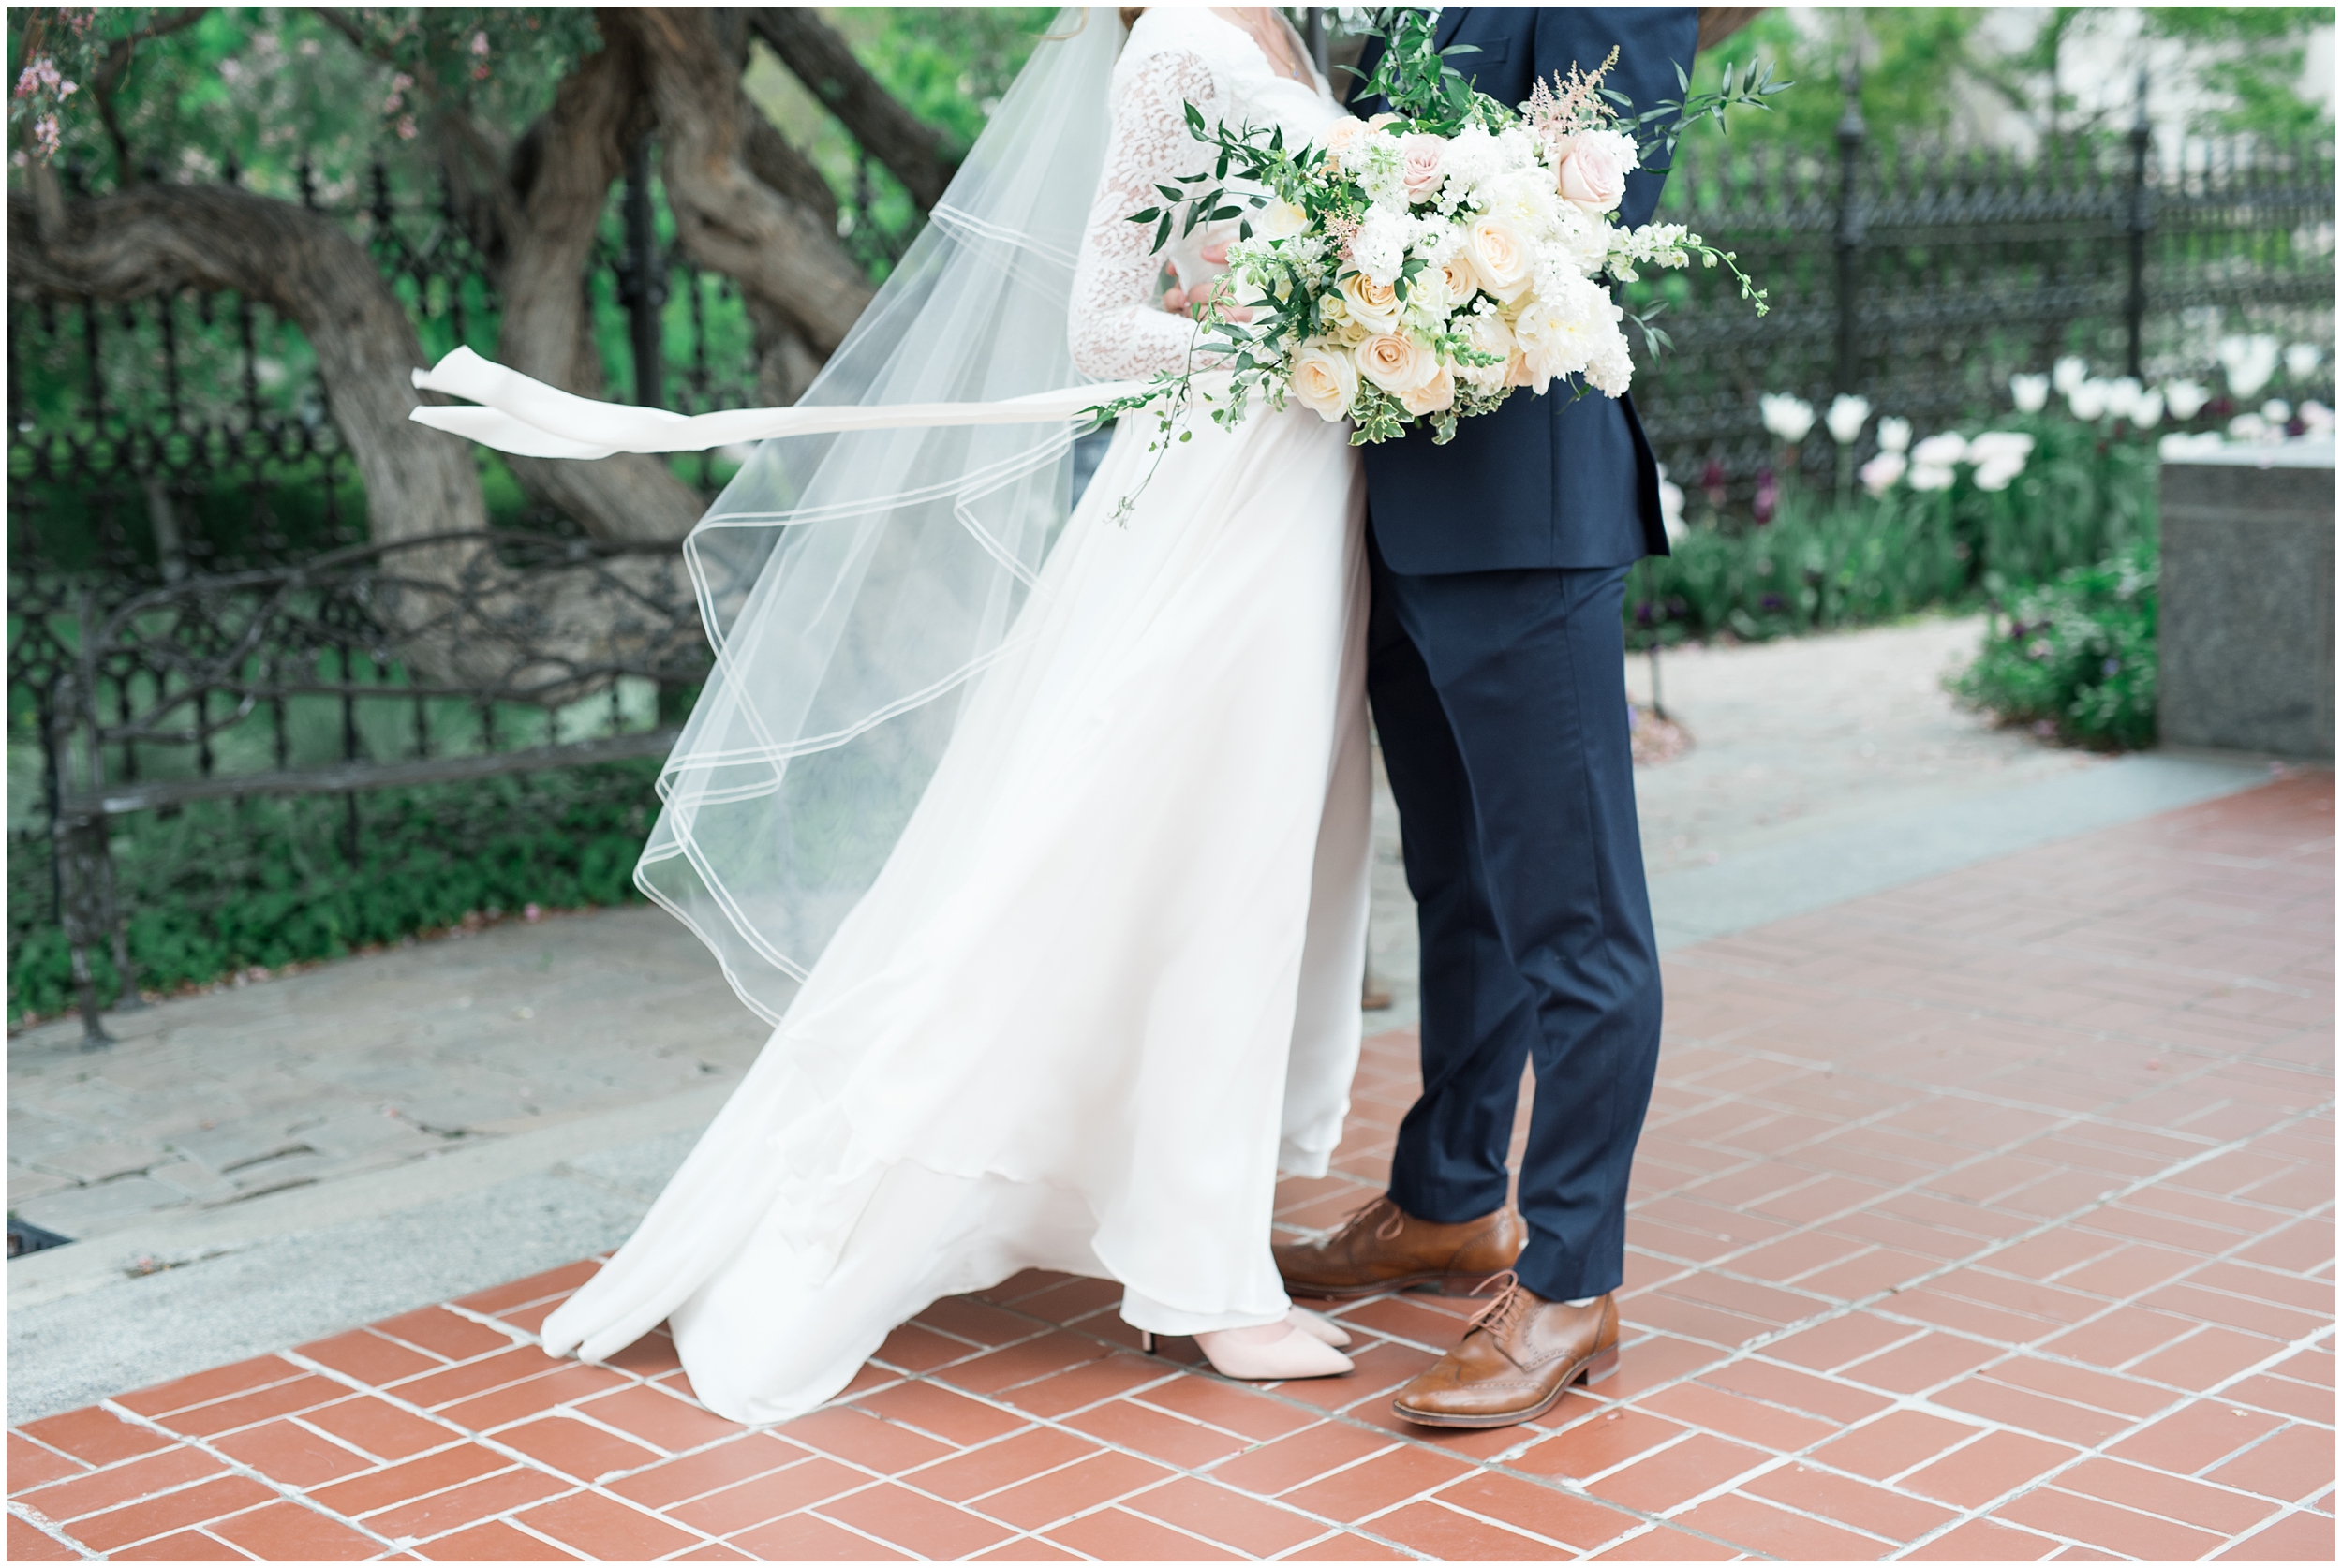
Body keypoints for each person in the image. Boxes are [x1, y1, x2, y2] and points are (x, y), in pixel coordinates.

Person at [536, 6, 1378, 1425]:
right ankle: (1203, 1278)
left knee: (1235, 865)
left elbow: (1239, 251)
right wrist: (1300, 340)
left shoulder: (1287, 36)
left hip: (1300, 507)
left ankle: (1186, 1218)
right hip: (1213, 512)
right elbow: (1111, 320)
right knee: (1176, 860)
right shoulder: (1175, 42)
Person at [1271, 7, 1699, 1431]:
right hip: (1400, 503)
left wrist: (1393, 222)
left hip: (1528, 517)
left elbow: (1602, 206)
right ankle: (1449, 1199)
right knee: (1461, 888)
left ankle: (1573, 1278)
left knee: (1573, 914)